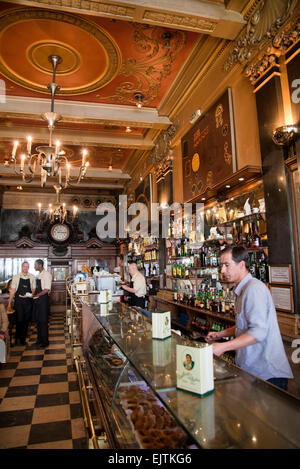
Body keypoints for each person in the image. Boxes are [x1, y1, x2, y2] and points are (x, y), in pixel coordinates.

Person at [206, 245, 293, 391]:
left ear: (241, 265)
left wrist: (223, 347)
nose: (222, 270)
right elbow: (244, 326)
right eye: (222, 266)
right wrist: (220, 334)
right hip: (253, 371)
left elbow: (258, 332)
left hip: (267, 374)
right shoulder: (241, 289)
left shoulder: (253, 289)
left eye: (227, 265)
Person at [8, 261, 36, 346]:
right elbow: (13, 291)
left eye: (27, 267)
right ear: (21, 267)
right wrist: (9, 303)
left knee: (26, 321)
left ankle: (23, 340)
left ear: (29, 267)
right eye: (24, 266)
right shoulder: (16, 277)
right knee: (19, 320)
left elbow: (33, 288)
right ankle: (17, 339)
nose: (25, 268)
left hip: (28, 301)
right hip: (19, 302)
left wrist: (31, 294)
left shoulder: (32, 276)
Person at [33, 259, 52, 348]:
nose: (34, 266)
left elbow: (46, 289)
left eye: (35, 265)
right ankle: (39, 339)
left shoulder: (47, 274)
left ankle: (45, 342)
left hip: (43, 300)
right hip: (38, 300)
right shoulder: (39, 274)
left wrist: (37, 295)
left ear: (40, 265)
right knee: (38, 321)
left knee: (43, 321)